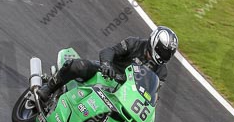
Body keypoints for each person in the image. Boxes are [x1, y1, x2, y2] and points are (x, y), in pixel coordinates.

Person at [37, 26, 178, 103]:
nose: (166, 56)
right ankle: (48, 88)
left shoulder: (161, 72)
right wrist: (106, 65)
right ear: (155, 44)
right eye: (164, 52)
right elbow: (109, 51)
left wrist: (153, 100)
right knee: (78, 66)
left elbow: (153, 92)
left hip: (124, 96)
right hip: (106, 74)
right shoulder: (134, 43)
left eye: (169, 54)